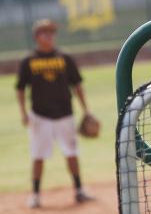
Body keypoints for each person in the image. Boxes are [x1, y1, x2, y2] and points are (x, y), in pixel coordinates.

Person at [16, 19, 94, 209]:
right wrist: (24, 113)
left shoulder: (65, 57)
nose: (49, 35)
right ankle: (35, 195)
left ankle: (79, 190)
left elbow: (77, 85)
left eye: (51, 32)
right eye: (45, 32)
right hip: (40, 116)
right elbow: (20, 89)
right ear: (36, 37)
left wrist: (86, 110)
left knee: (72, 153)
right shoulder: (29, 60)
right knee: (38, 155)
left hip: (65, 114)